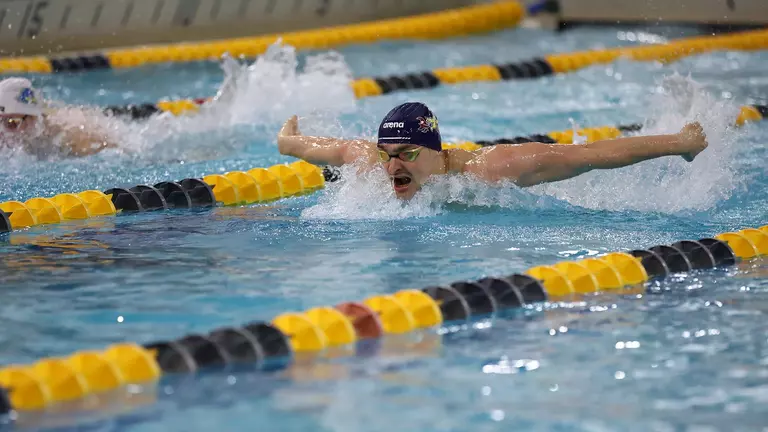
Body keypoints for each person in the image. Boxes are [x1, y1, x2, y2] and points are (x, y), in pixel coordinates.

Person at [277, 101, 709, 199]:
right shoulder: (372, 163)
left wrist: (679, 144)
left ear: (434, 150)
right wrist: (289, 142)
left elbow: (589, 153)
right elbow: (328, 149)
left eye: (406, 153)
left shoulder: (491, 169)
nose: (391, 166)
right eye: (385, 152)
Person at [0, 77, 116, 157]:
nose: (2, 132)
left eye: (11, 123)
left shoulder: (71, 136)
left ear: (34, 118)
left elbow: (115, 151)